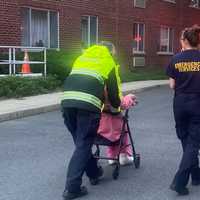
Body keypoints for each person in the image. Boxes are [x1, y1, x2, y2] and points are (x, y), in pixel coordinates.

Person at [61, 41, 121, 200]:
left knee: (81, 143)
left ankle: (94, 172)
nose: (114, 55)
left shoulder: (81, 58)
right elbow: (114, 94)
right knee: (83, 144)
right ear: (110, 52)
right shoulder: (108, 62)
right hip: (87, 106)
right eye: (114, 53)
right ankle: (72, 188)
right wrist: (116, 107)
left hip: (67, 103)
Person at [166, 25, 200, 195]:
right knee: (193, 143)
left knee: (186, 140)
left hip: (179, 103)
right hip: (197, 103)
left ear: (184, 41)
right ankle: (180, 182)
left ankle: (196, 175)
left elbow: (172, 85)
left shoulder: (175, 59)